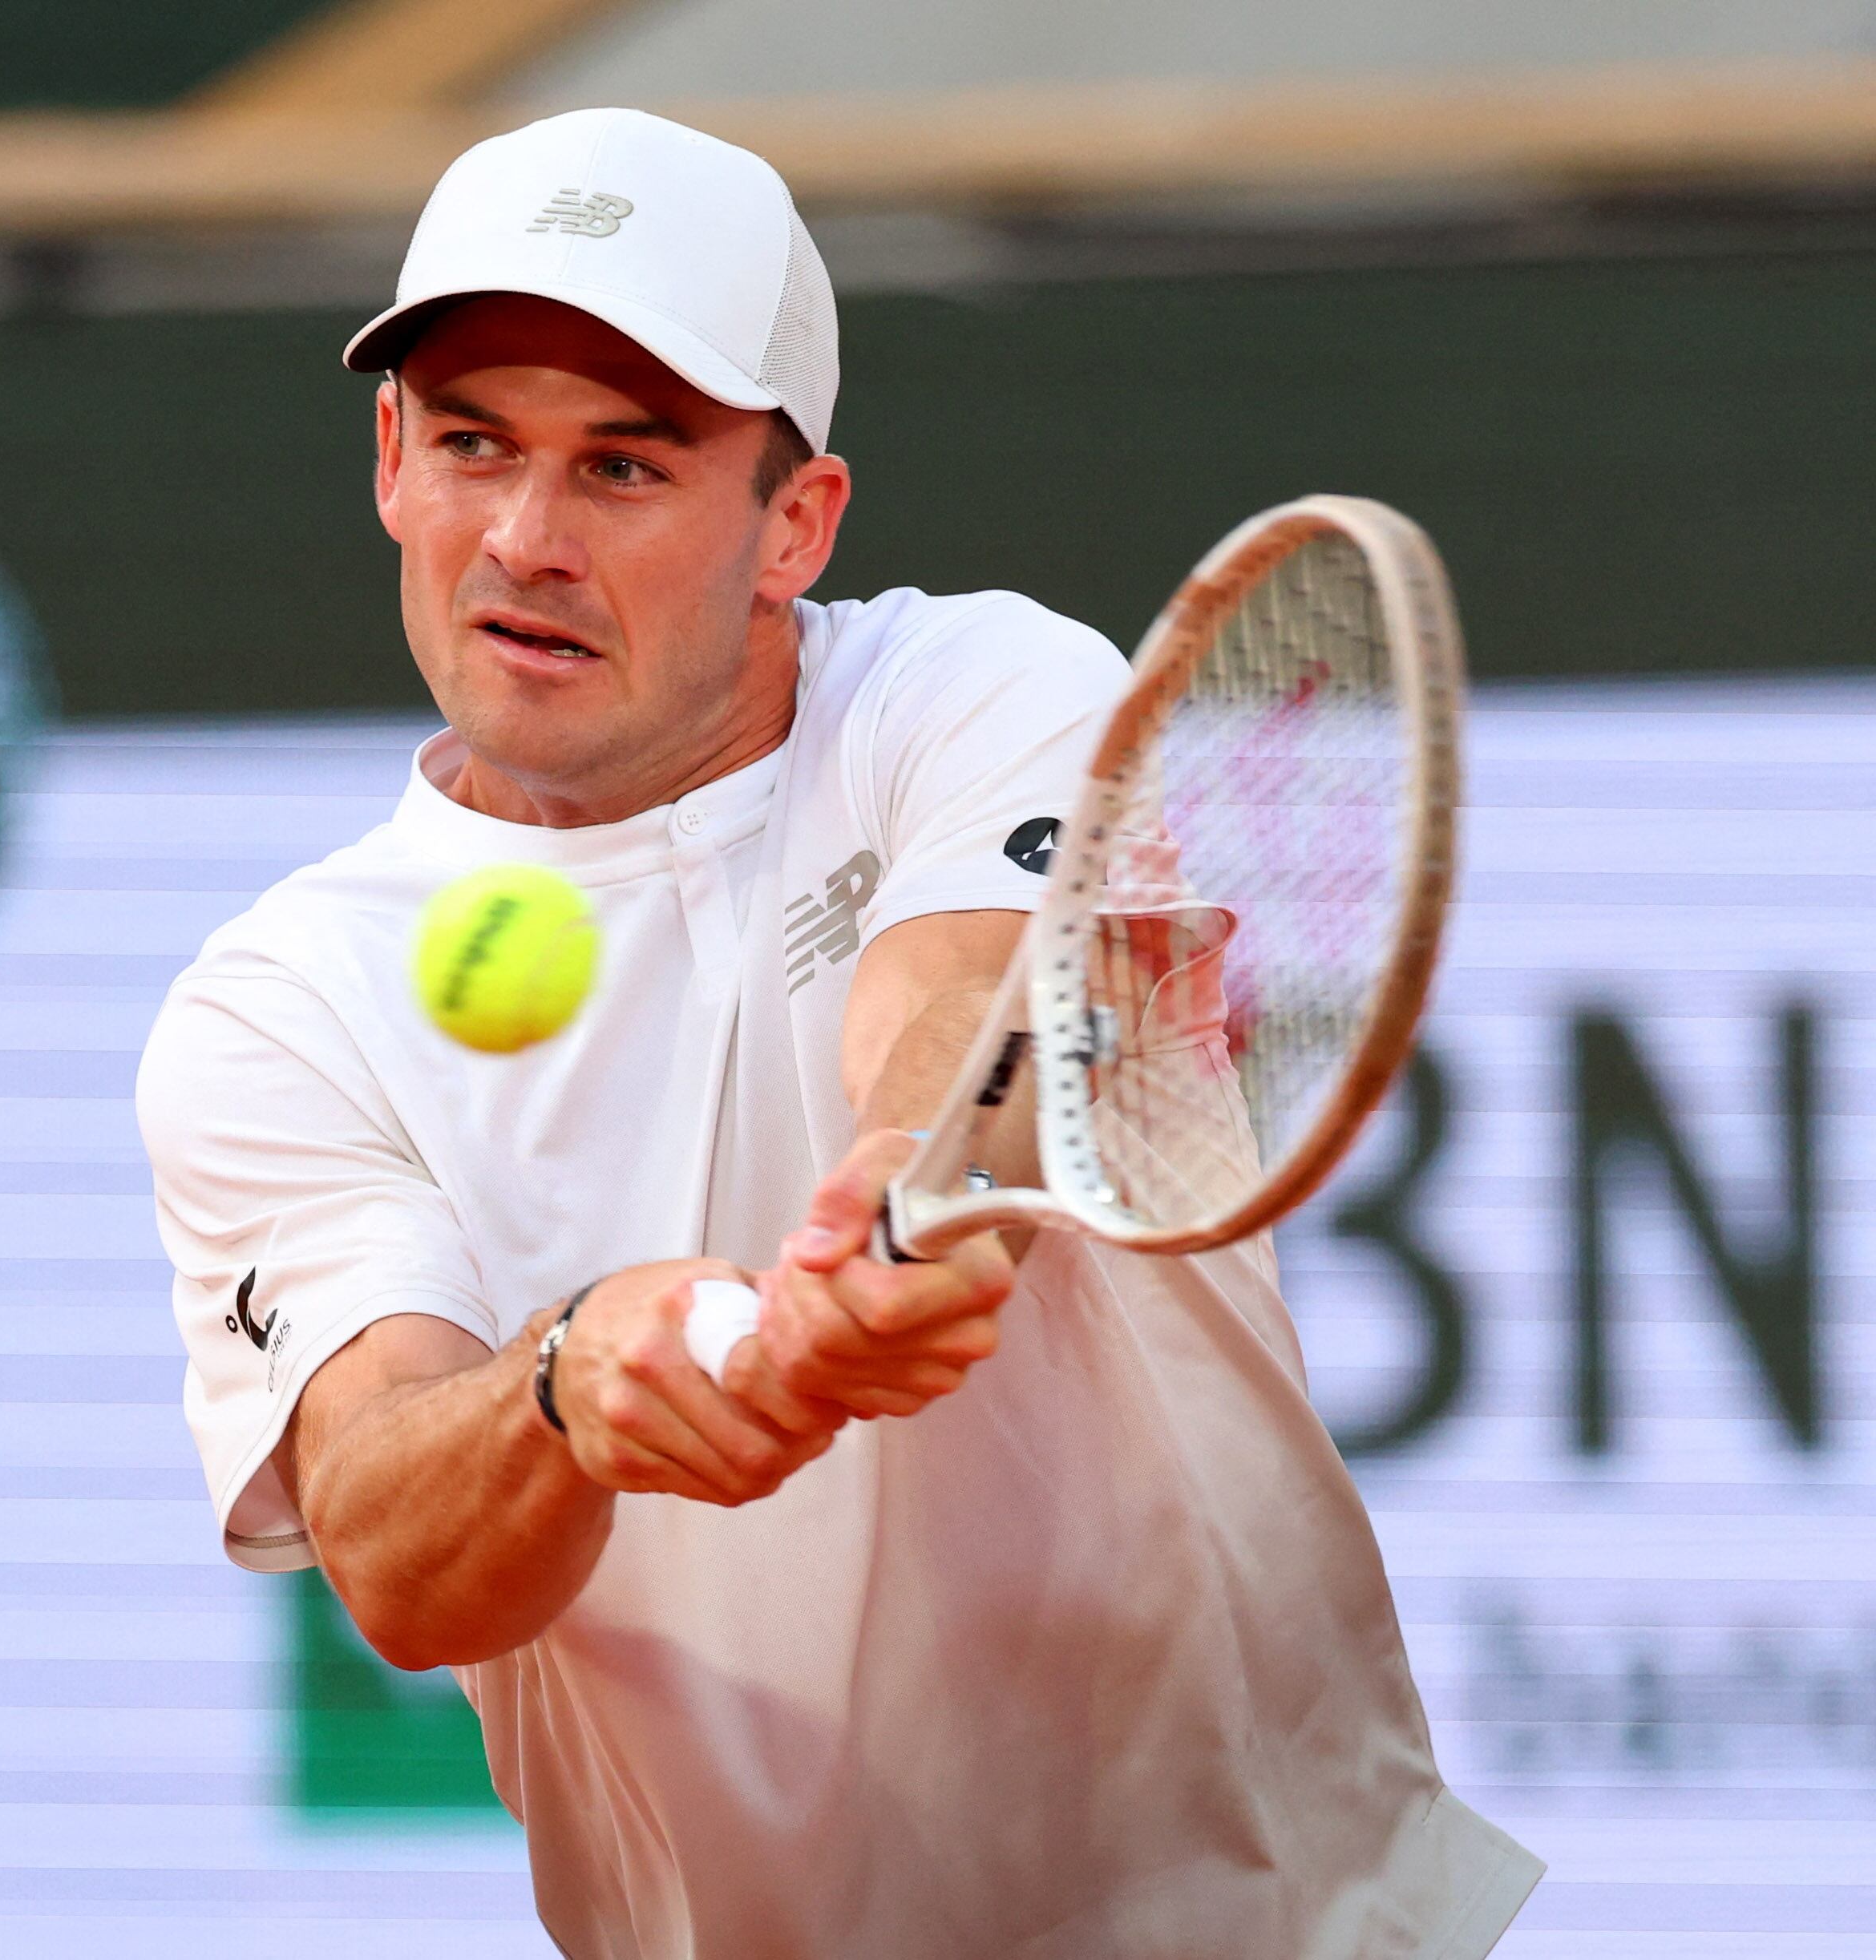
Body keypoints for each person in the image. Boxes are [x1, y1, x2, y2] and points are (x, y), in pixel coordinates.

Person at [137, 105, 1543, 1958]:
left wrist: (897, 1187)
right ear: (391, 459)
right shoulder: (279, 1006)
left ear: (794, 523)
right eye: (474, 446)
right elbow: (396, 1554)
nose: (527, 538)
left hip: (1287, 1932)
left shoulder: (992, 687)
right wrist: (568, 1384)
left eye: (624, 469)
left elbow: (977, 1015)